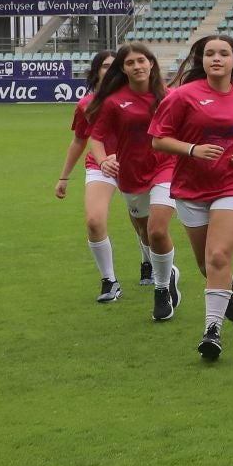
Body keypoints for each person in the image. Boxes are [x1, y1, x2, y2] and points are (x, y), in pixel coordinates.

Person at [149, 35, 233, 361]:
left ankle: (211, 331)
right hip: (191, 188)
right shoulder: (182, 96)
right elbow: (158, 140)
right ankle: (228, 294)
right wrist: (192, 150)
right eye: (209, 53)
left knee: (217, 256)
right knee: (205, 264)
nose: (216, 58)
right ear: (200, 60)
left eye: (223, 53)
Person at [83, 43, 180, 319]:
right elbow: (97, 138)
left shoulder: (169, 97)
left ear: (151, 63)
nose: (137, 66)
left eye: (142, 60)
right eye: (130, 63)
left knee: (158, 230)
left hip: (165, 169)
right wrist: (103, 161)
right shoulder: (113, 101)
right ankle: (169, 270)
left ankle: (161, 290)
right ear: (123, 69)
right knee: (146, 235)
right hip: (130, 175)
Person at [58, 50, 147, 302]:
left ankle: (149, 262)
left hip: (136, 166)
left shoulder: (137, 97)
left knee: (144, 224)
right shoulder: (86, 104)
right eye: (106, 66)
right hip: (100, 165)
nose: (112, 70)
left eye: (116, 66)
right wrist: (64, 177)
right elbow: (79, 141)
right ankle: (109, 281)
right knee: (94, 221)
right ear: (96, 70)